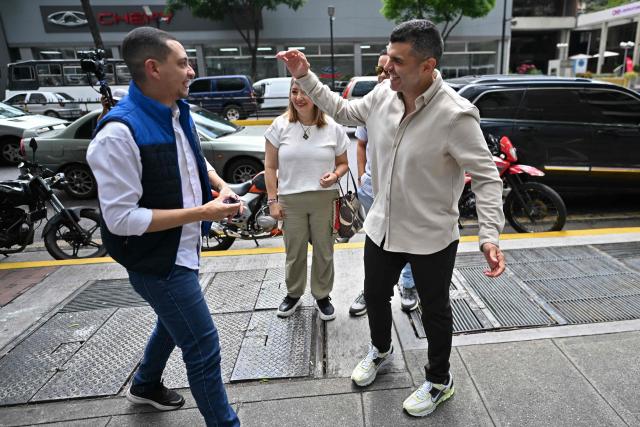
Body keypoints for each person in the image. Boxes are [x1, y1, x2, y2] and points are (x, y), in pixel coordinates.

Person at [277, 19, 505, 417]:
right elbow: (343, 109)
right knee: (376, 296)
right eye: (389, 58)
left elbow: (486, 178)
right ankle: (380, 350)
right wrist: (304, 75)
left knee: (435, 310)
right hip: (382, 225)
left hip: (432, 235)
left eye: (398, 61)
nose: (387, 68)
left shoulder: (456, 115)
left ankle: (439, 380)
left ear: (427, 65)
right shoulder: (383, 94)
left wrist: (489, 235)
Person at [86, 27, 239, 427]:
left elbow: (192, 160)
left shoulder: (175, 110)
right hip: (157, 260)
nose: (191, 71)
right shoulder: (118, 134)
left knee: (172, 322)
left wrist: (221, 188)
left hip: (181, 248)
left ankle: (144, 384)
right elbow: (121, 220)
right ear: (153, 68)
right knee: (203, 344)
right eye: (183, 63)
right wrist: (203, 213)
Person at [264, 80, 349, 321]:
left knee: (324, 250)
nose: (299, 97)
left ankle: (322, 296)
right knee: (294, 251)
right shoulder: (279, 126)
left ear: (316, 95)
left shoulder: (332, 127)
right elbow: (270, 167)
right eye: (294, 92)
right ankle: (293, 293)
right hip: (290, 200)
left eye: (305, 92)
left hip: (325, 198)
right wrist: (273, 200)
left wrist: (334, 174)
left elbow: (343, 163)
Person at [349, 49, 419, 317]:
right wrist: (362, 176)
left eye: (388, 67)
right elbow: (361, 143)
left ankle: (409, 286)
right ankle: (372, 291)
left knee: (407, 240)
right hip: (372, 189)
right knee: (376, 241)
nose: (384, 73)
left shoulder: (411, 103)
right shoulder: (372, 102)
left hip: (405, 192)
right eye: (379, 69)